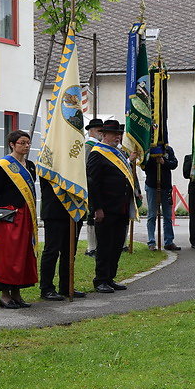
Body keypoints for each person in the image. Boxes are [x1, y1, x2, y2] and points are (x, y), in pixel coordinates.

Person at [0, 130, 38, 309]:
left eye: (28, 143)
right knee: (8, 256)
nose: (26, 146)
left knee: (24, 255)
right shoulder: (2, 166)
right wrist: (0, 212)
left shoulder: (31, 165)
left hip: (26, 216)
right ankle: (5, 295)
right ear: (12, 144)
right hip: (9, 217)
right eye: (22, 143)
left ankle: (17, 294)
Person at [86, 119, 135, 293]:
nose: (118, 137)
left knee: (116, 245)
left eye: (119, 134)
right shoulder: (97, 153)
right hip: (106, 208)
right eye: (114, 134)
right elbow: (93, 183)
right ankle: (100, 280)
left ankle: (110, 278)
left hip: (121, 207)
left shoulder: (119, 153)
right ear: (104, 134)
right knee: (105, 246)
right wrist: (97, 208)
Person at [39, 177, 86, 301]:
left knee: (70, 252)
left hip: (74, 210)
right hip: (54, 209)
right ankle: (47, 288)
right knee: (52, 251)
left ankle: (66, 286)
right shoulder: (48, 158)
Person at [143, 143, 180, 251]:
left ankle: (169, 241)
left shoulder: (168, 149)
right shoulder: (149, 150)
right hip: (152, 185)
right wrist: (154, 158)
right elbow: (144, 166)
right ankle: (151, 242)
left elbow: (174, 164)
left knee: (168, 216)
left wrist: (164, 162)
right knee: (152, 215)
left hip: (165, 186)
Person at [83, 118, 103, 257]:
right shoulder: (89, 145)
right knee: (91, 214)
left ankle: (97, 245)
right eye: (98, 130)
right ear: (91, 131)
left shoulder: (100, 146)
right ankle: (91, 247)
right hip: (90, 182)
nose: (101, 133)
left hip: (99, 184)